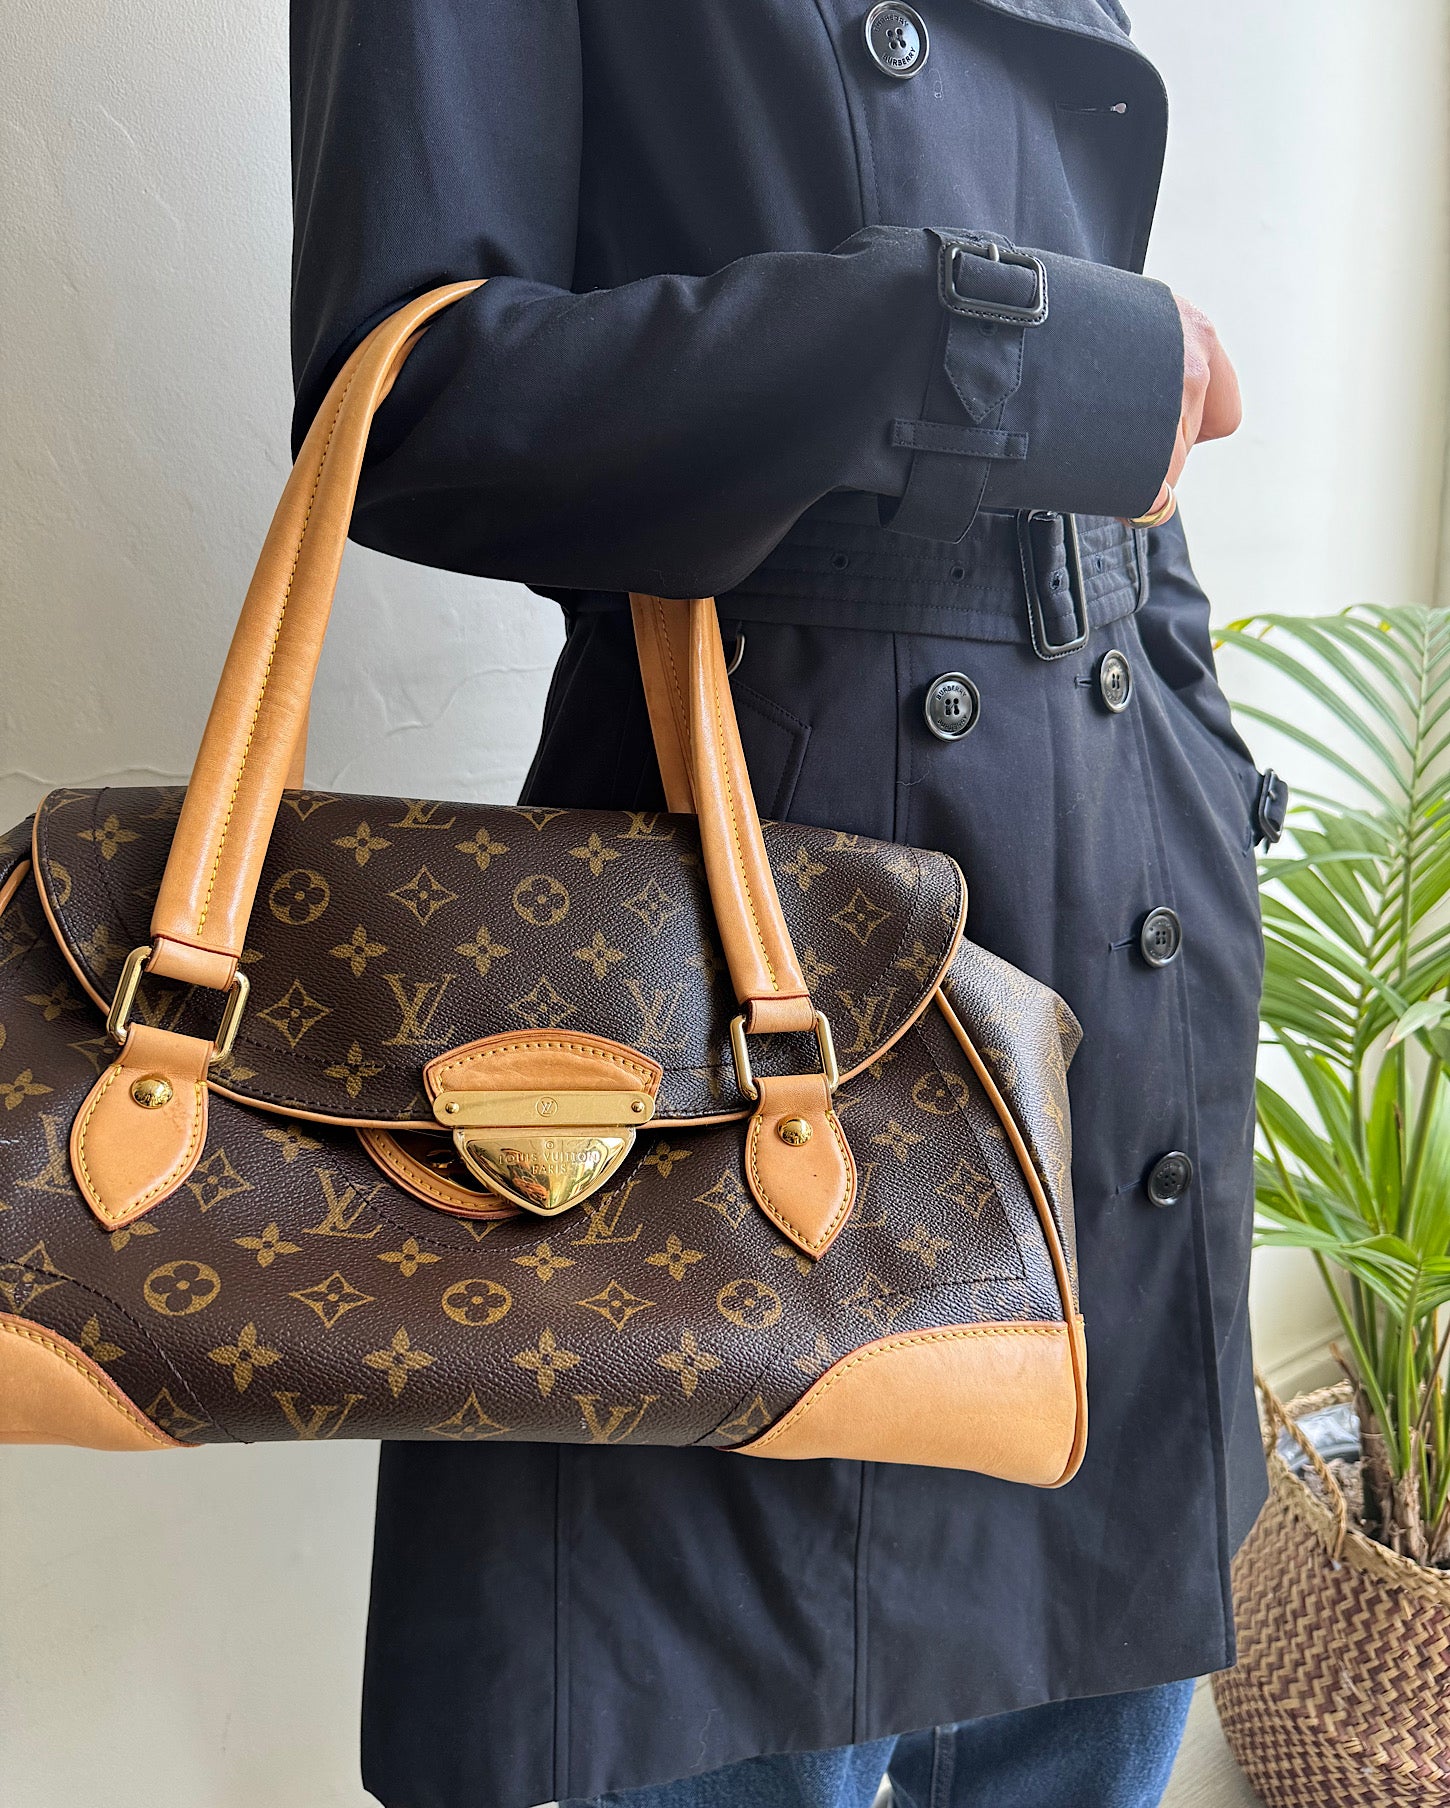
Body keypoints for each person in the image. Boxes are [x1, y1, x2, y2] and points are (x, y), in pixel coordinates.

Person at [288, 4, 1274, 1805]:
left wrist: (1199, 745)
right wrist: (984, 340)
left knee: (1094, 1705)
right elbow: (412, 390)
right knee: (755, 1704)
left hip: (1125, 918)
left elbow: (1112, 443)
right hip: (761, 961)